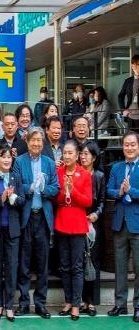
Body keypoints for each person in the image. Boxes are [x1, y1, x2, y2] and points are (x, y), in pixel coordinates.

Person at [13, 127, 59, 319]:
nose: (36, 144)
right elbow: (16, 185)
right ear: (28, 142)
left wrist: (44, 188)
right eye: (33, 140)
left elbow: (56, 187)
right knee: (24, 263)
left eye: (40, 140)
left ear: (43, 143)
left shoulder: (49, 163)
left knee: (42, 263)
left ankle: (40, 303)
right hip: (26, 217)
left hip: (43, 218)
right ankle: (24, 302)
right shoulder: (19, 161)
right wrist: (31, 188)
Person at [54, 140, 92, 321]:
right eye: (65, 153)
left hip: (77, 224)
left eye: (71, 153)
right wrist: (64, 192)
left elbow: (88, 201)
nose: (67, 156)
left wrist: (73, 190)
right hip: (62, 222)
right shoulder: (59, 172)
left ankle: (76, 304)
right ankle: (68, 300)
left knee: (76, 267)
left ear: (77, 155)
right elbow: (55, 198)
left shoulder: (84, 174)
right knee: (64, 265)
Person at [106, 131, 139, 322]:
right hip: (119, 224)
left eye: (133, 144)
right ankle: (120, 304)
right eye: (126, 144)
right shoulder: (117, 168)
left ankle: (138, 306)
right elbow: (109, 190)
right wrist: (119, 192)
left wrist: (130, 191)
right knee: (120, 267)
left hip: (137, 224)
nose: (129, 147)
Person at [0, 144, 25, 322]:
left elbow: (22, 200)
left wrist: (12, 197)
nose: (6, 160)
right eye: (3, 157)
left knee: (11, 268)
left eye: (8, 157)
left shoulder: (16, 177)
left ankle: (10, 306)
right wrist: (1, 198)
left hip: (13, 230)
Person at [79, 141, 106, 316]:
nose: (83, 157)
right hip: (78, 221)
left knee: (93, 262)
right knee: (80, 262)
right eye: (81, 153)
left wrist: (96, 214)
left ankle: (92, 302)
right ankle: (81, 300)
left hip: (93, 223)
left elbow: (102, 200)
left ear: (94, 158)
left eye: (86, 154)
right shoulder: (77, 173)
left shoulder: (99, 176)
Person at [118, 55, 139, 131]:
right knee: (131, 136)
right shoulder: (128, 81)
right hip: (131, 116)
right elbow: (120, 96)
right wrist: (123, 110)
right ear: (132, 66)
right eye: (138, 64)